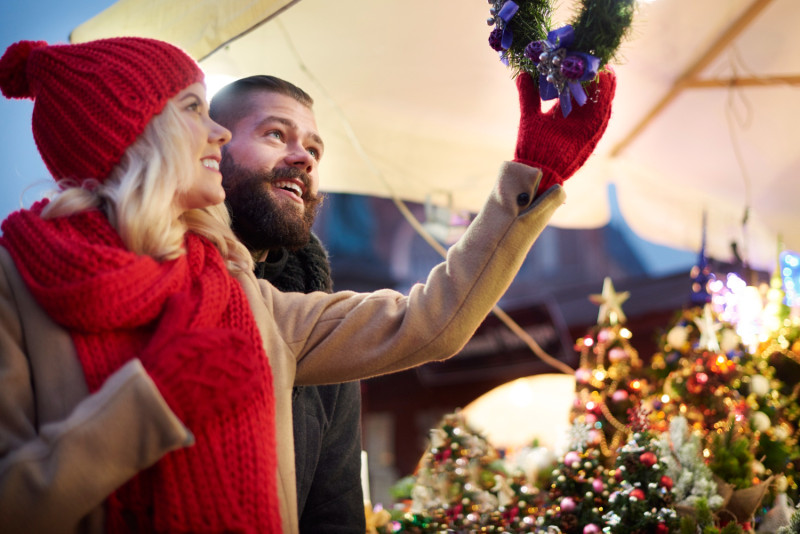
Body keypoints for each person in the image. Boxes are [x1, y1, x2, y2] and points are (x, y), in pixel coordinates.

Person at [0, 36, 614, 534]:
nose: (212, 130)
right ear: (131, 131)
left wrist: (534, 175)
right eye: (194, 110)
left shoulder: (247, 297)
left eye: (314, 147)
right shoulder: (15, 287)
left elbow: (428, 322)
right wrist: (150, 405)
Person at [210, 76, 366, 532]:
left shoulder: (318, 320)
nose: (304, 159)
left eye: (315, 151)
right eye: (276, 134)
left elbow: (335, 508)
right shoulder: (157, 277)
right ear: (212, 148)